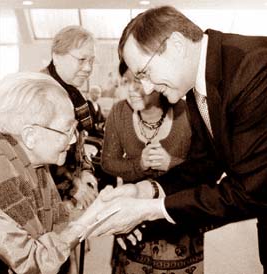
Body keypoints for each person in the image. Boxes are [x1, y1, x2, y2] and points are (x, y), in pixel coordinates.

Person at [81, 5, 267, 272]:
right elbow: (203, 165)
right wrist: (142, 191)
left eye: (144, 73)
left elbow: (251, 190)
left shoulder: (254, 68)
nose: (145, 88)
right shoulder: (194, 85)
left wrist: (150, 209)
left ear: (176, 45)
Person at [0, 72, 102, 274]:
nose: (73, 140)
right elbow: (33, 261)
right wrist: (86, 222)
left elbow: (54, 222)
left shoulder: (34, 167)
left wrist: (98, 212)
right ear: (30, 136)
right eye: (67, 130)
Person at [102, 61, 205, 274]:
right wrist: (138, 165)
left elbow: (206, 168)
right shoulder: (119, 112)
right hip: (133, 223)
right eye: (125, 82)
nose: (131, 90)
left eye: (138, 81)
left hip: (178, 221)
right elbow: (108, 163)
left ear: (157, 83)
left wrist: (171, 163)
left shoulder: (186, 113)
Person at [41, 25, 98, 209]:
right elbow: (39, 159)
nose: (88, 68)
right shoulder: (40, 93)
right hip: (47, 199)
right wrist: (74, 187)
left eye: (91, 60)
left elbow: (79, 144)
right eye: (81, 59)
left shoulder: (73, 93)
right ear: (57, 56)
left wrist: (87, 172)